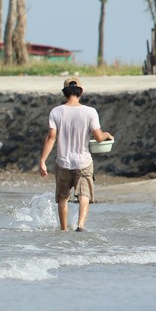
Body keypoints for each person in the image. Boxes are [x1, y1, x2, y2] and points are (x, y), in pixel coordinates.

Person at [38, 77, 113, 232]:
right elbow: (99, 137)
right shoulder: (90, 112)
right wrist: (107, 134)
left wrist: (43, 161)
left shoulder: (56, 112)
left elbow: (51, 137)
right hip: (83, 162)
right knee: (84, 194)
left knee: (63, 197)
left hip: (63, 162)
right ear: (81, 92)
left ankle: (64, 229)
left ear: (64, 92)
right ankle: (80, 226)